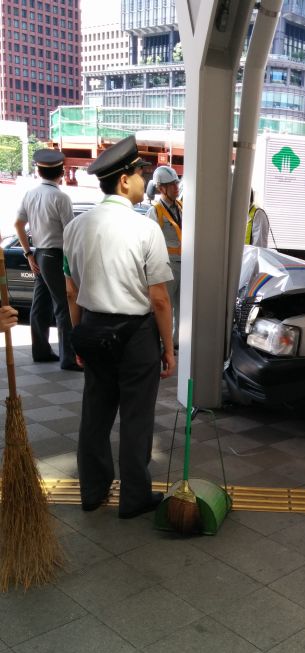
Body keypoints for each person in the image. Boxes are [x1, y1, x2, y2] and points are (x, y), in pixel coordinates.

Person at [63, 135, 175, 519]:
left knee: (95, 414)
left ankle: (92, 492)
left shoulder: (75, 227)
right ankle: (134, 498)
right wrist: (169, 349)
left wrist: (79, 336)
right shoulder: (145, 228)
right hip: (136, 335)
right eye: (140, 174)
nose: (145, 181)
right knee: (136, 417)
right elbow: (158, 298)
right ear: (124, 181)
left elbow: (71, 289)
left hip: (93, 328)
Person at [14, 149, 79, 370]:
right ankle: (68, 358)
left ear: (39, 171)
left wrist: (28, 253)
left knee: (40, 305)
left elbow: (18, 224)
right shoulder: (61, 197)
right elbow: (70, 232)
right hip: (56, 255)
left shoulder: (30, 194)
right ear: (61, 172)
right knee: (63, 305)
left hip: (40, 253)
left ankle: (41, 351)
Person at [146, 166, 182, 348]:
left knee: (182, 308)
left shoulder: (182, 207)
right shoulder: (155, 212)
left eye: (176, 183)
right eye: (171, 184)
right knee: (165, 306)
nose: (176, 187)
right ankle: (162, 343)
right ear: (161, 188)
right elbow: (151, 243)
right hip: (167, 266)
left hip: (185, 265)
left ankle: (176, 343)